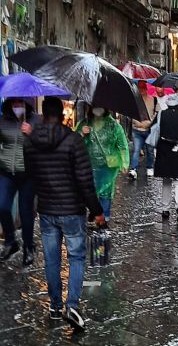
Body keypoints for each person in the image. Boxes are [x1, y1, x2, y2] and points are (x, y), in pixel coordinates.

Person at [24, 97, 105, 329]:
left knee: (51, 259)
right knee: (77, 257)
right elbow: (85, 181)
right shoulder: (73, 141)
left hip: (47, 210)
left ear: (42, 116)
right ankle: (72, 305)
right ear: (62, 115)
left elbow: (31, 176)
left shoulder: (30, 143)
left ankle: (55, 305)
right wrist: (97, 211)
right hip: (72, 210)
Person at [0, 98, 39, 265]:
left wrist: (32, 134)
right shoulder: (2, 121)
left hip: (28, 174)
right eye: (14, 104)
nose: (17, 107)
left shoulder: (36, 121)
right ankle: (11, 241)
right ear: (9, 104)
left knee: (25, 212)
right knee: (2, 206)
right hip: (6, 171)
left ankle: (29, 247)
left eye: (20, 104)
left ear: (26, 105)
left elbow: (46, 143)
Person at [77, 107, 129, 223]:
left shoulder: (114, 126)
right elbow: (74, 142)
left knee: (106, 191)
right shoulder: (84, 123)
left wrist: (124, 163)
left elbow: (122, 145)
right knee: (90, 189)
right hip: (89, 163)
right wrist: (81, 133)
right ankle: (94, 210)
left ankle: (104, 217)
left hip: (109, 165)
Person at [154, 94, 178, 223]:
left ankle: (165, 209)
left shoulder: (162, 114)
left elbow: (156, 131)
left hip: (164, 148)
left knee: (166, 180)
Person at [129, 80, 156, 179]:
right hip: (137, 130)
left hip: (149, 130)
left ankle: (149, 167)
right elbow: (131, 114)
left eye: (143, 88)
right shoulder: (134, 100)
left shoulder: (152, 99)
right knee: (136, 150)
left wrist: (149, 123)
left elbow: (155, 113)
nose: (142, 90)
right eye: (140, 88)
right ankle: (133, 169)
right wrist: (138, 123)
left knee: (150, 150)